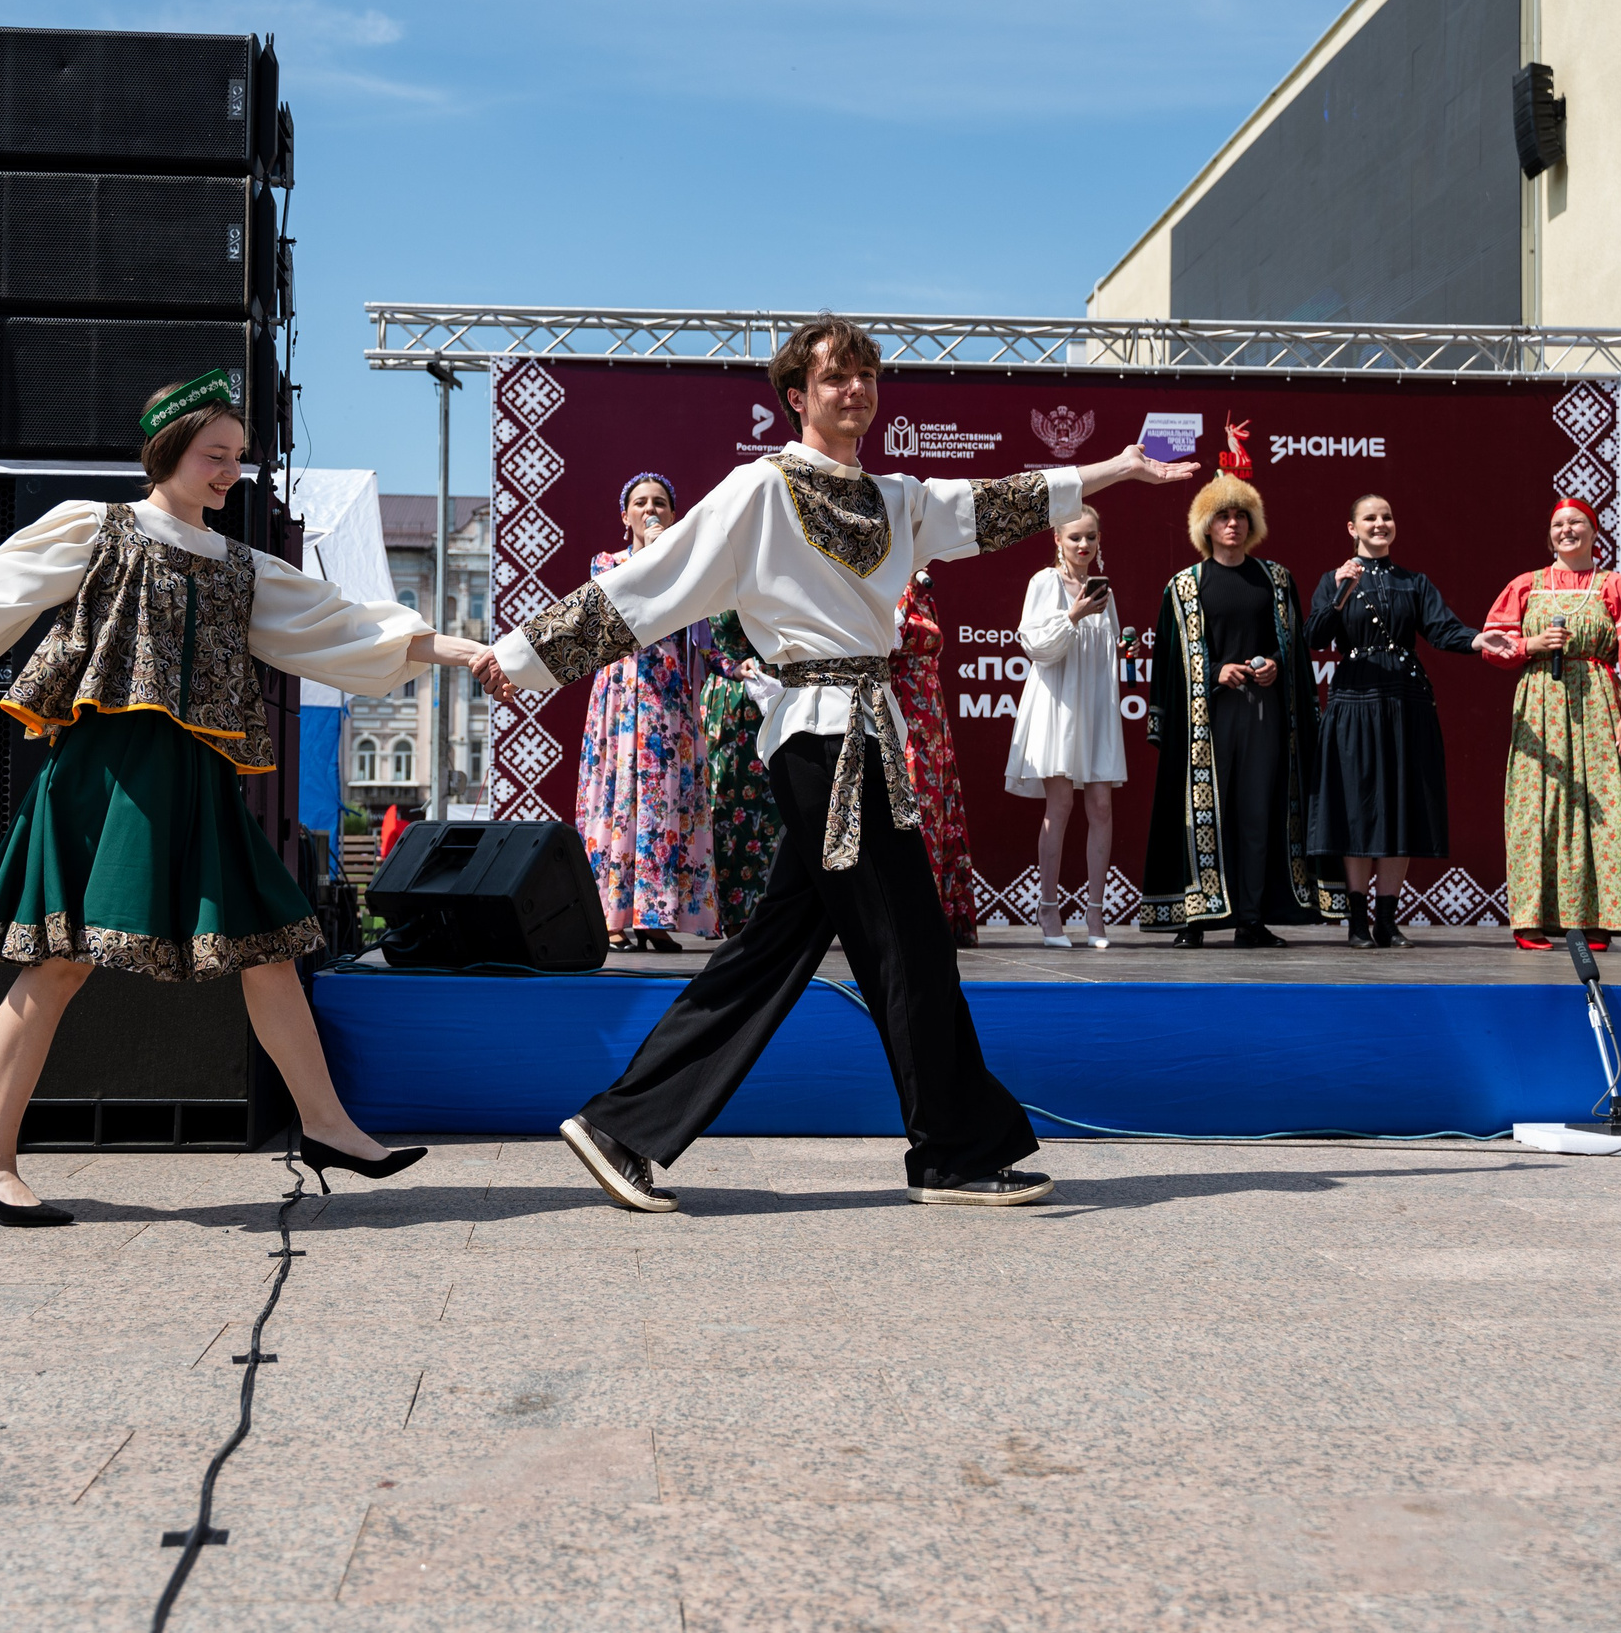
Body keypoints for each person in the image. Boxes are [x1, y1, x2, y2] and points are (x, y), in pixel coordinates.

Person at [472, 316, 1196, 1211]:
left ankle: (625, 1124)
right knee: (912, 944)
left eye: (865, 374)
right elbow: (650, 583)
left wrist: (1115, 469)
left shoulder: (897, 499)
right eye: (834, 377)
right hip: (819, 738)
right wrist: (520, 657)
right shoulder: (759, 490)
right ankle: (955, 1152)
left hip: (865, 734)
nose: (855, 389)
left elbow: (995, 502)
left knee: (776, 949)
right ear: (796, 396)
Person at [0, 371, 478, 1220]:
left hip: (197, 783)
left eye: (238, 459)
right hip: (106, 778)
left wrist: (466, 651)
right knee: (63, 958)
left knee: (266, 948)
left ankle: (328, 1124)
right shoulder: (100, 531)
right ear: (169, 449)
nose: (230, 472)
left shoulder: (244, 567)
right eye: (215, 455)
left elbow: (350, 626)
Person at [1139, 419, 1330, 947]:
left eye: (1240, 516)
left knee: (1257, 812)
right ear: (1205, 525)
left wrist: (1272, 662)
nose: (1232, 524)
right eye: (1223, 516)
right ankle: (1196, 918)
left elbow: (1292, 644)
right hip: (1207, 716)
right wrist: (1214, 669)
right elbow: (1169, 663)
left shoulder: (1276, 578)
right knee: (1204, 813)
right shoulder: (1183, 586)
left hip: (1264, 714)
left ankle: (1250, 917)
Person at [1305, 495, 1515, 947]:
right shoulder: (1333, 580)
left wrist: (1478, 638)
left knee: (1397, 807)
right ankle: (1357, 923)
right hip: (1354, 701)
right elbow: (1314, 636)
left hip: (1405, 701)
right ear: (1352, 528)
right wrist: (1340, 592)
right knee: (1358, 810)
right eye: (1370, 518)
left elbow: (1442, 628)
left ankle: (1387, 920)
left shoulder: (1414, 582)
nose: (1380, 524)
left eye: (1386, 517)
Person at [1480, 495, 1621, 949]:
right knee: (1540, 805)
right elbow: (1491, 643)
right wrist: (1531, 644)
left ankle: (1598, 918)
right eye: (1558, 525)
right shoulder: (1525, 585)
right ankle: (1530, 921)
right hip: (1540, 702)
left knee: (1609, 804)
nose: (1566, 530)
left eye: (1576, 523)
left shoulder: (1617, 585)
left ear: (1594, 532)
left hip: (1598, 702)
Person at [575, 473, 716, 951]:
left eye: (660, 503)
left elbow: (701, 634)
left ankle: (654, 915)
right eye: (640, 503)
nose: (650, 510)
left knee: (663, 802)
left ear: (674, 515)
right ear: (625, 516)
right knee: (619, 798)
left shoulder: (686, 567)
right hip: (623, 697)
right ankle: (611, 917)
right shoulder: (606, 563)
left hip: (669, 702)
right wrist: (656, 557)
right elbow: (620, 607)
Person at [1005, 509, 1125, 948]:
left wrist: (1121, 646)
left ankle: (1096, 917)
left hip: (1094, 706)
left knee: (1101, 807)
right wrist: (1073, 615)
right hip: (1058, 705)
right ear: (1057, 538)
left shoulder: (1102, 591)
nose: (1083, 545)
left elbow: (1102, 650)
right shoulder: (1044, 583)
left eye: (1091, 537)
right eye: (1075, 537)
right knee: (1060, 807)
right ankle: (1048, 910)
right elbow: (1036, 646)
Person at [890, 570, 980, 947]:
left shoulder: (922, 591)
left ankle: (938, 912)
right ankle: (910, 916)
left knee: (936, 809)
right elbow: (889, 633)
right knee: (914, 809)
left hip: (930, 709)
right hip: (904, 709)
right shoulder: (893, 586)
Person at [697, 609, 781, 936]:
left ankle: (769, 914)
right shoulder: (714, 574)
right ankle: (729, 914)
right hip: (729, 698)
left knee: (773, 808)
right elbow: (704, 641)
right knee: (727, 805)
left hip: (775, 694)